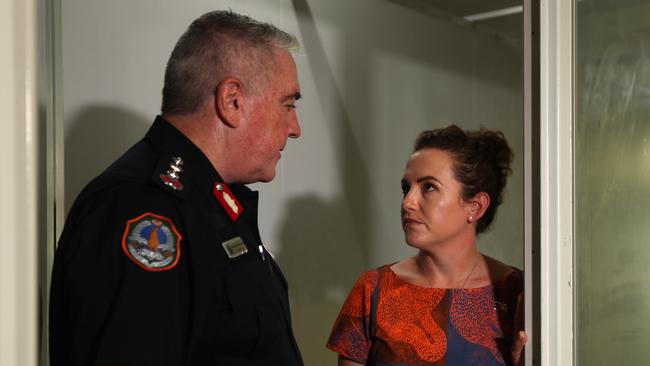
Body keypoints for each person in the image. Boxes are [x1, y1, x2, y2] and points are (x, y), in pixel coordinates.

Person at [49, 10, 304, 366]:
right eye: (288, 105)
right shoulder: (142, 208)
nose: (295, 128)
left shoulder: (209, 203)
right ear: (232, 101)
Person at [326, 125, 527, 365]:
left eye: (428, 187)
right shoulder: (373, 291)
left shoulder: (520, 293)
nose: (408, 202)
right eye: (406, 188)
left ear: (475, 207)